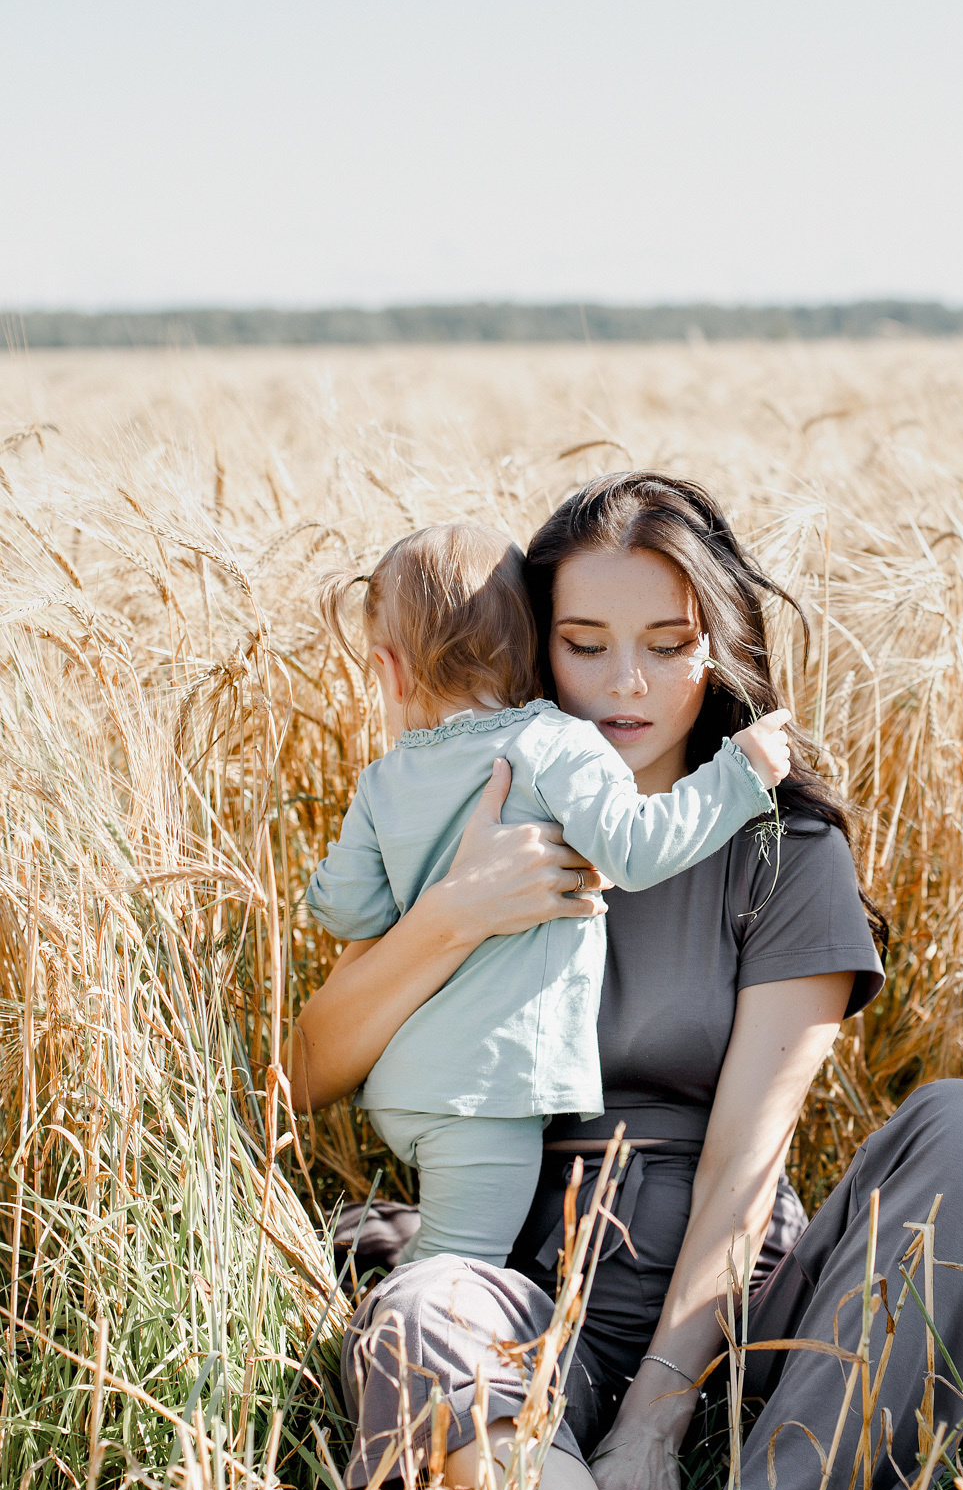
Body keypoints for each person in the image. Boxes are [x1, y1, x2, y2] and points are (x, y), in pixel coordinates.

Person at [289, 475, 963, 1490]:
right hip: (539, 1301)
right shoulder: (490, 808)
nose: (625, 685)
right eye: (584, 647)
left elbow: (748, 1158)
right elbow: (310, 1068)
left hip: (738, 1313)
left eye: (667, 645)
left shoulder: (780, 855)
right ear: (532, 649)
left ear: (718, 649)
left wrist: (655, 1418)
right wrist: (455, 912)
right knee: (423, 1310)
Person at [307, 519, 791, 1268]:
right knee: (457, 1274)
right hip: (487, 1096)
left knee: (442, 1258)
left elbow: (349, 911)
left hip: (403, 1087)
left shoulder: (385, 779)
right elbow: (632, 852)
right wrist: (738, 776)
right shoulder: (552, 742)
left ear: (389, 672)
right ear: (539, 648)